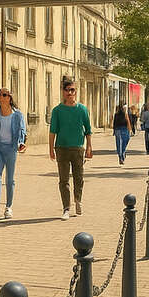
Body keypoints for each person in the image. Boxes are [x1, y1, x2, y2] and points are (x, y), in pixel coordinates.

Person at [49, 77, 93, 220]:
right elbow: (52, 131)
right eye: (67, 90)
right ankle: (66, 208)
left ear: (75, 91)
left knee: (79, 178)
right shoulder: (57, 111)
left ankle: (78, 200)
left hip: (78, 148)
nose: (69, 93)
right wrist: (51, 149)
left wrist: (89, 147)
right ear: (63, 92)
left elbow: (88, 129)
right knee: (63, 180)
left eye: (72, 90)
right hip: (61, 148)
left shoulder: (82, 109)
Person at [0, 87, 27, 220]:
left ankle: (8, 207)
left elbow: (22, 131)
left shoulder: (17, 114)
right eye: (3, 95)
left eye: (7, 95)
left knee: (10, 180)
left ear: (10, 98)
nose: (5, 97)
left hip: (11, 148)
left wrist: (21, 143)